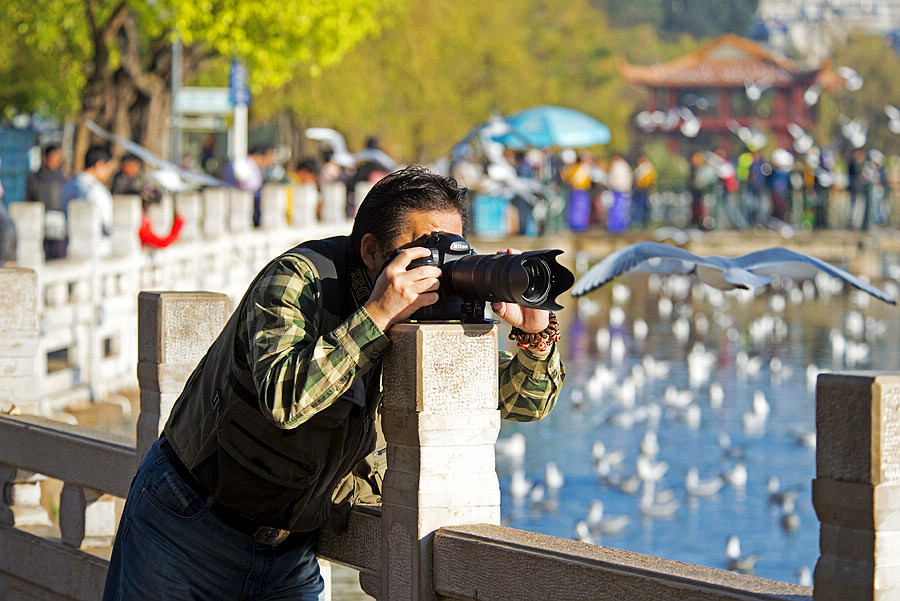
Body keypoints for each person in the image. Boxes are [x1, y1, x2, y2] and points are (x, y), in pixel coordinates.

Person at [102, 166, 565, 601]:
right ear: (370, 251)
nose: (441, 267)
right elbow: (285, 398)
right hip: (187, 525)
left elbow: (521, 406)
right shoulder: (299, 279)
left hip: (290, 550)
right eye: (429, 248)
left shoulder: (430, 310)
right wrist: (377, 315)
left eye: (454, 248)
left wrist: (533, 338)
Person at [61, 145, 116, 257]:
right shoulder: (97, 191)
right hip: (97, 251)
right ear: (99, 164)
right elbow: (106, 225)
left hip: (68, 249)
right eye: (108, 167)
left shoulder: (67, 186)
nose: (109, 172)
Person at [25, 144, 68, 259]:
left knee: (58, 254)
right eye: (53, 156)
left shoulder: (63, 179)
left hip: (59, 221)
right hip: (41, 219)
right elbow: (29, 199)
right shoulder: (35, 178)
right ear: (46, 157)